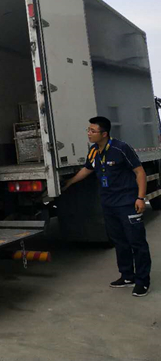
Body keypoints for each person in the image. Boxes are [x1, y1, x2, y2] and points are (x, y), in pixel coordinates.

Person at [64, 116, 152, 297]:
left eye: (93, 131)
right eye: (88, 130)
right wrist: (70, 182)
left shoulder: (121, 148)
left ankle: (142, 281)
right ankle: (127, 276)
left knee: (137, 242)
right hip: (108, 204)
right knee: (119, 241)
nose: (89, 134)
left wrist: (140, 198)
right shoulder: (93, 151)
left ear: (104, 134)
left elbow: (139, 172)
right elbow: (87, 169)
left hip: (127, 202)